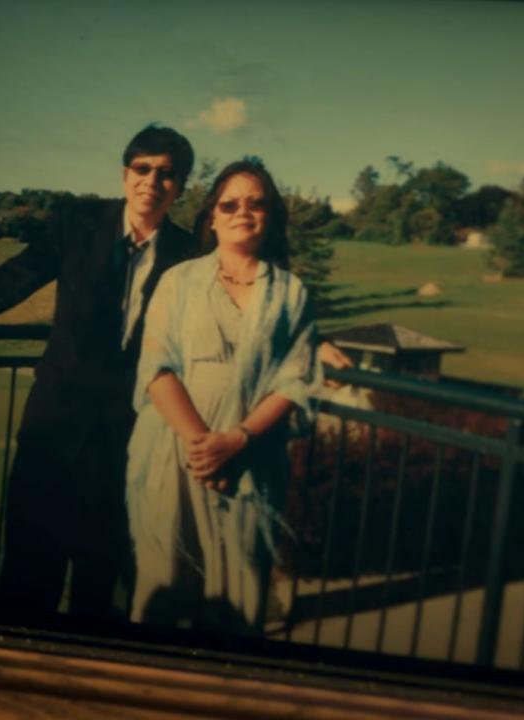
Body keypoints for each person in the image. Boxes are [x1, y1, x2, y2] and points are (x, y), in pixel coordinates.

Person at [0, 125, 198, 621]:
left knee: (101, 579)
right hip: (54, 428)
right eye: (142, 169)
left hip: (129, 438)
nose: (151, 182)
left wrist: (317, 345)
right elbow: (10, 280)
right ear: (124, 174)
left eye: (166, 174)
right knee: (29, 572)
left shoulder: (189, 254)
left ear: (178, 187)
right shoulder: (78, 224)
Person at [126, 159, 320, 632]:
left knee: (238, 594)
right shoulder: (179, 281)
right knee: (163, 587)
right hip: (175, 454)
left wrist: (235, 442)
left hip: (250, 461)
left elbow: (295, 381)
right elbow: (157, 368)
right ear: (211, 217)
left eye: (256, 203)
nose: (242, 212)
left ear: (271, 216)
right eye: (229, 204)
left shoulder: (291, 293)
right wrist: (202, 448)